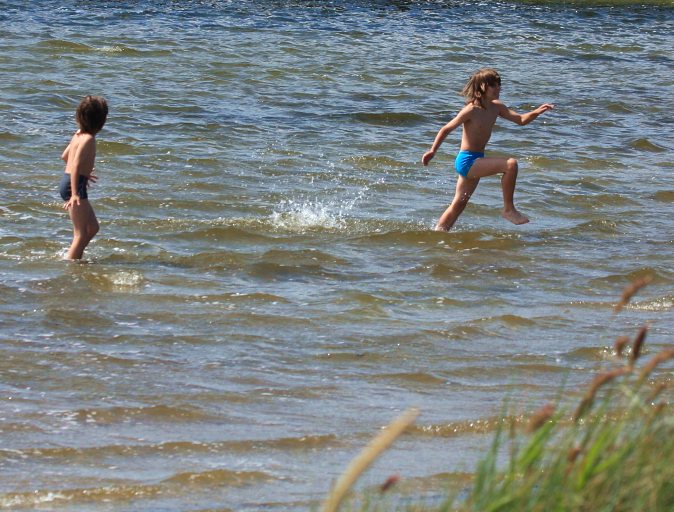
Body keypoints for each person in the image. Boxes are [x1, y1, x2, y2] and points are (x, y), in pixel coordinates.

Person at [421, 68, 554, 231]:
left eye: (499, 84)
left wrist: (537, 111)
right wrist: (432, 151)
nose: (498, 88)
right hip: (467, 161)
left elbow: (520, 120)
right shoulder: (471, 109)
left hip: (477, 159)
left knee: (459, 204)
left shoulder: (496, 107)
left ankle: (438, 233)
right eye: (493, 85)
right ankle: (508, 209)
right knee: (510, 164)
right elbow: (446, 129)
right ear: (482, 86)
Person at [59, 95, 108, 260]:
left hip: (73, 181)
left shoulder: (79, 134)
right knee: (80, 234)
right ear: (101, 121)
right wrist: (74, 193)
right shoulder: (88, 139)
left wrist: (85, 174)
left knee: (93, 228)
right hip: (73, 186)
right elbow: (76, 165)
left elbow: (65, 156)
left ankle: (74, 256)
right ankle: (71, 265)